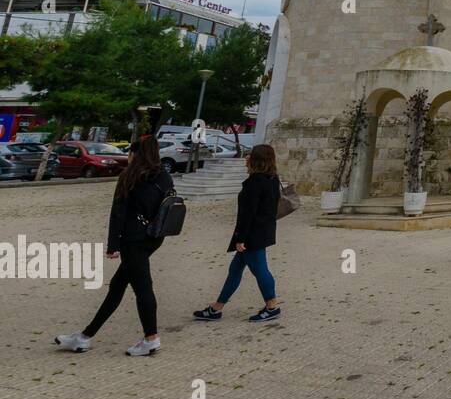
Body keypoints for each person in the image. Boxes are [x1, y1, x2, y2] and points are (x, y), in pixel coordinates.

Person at [55, 135, 173, 356]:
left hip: (133, 240)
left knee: (143, 288)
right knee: (117, 286)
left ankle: (151, 338)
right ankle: (85, 336)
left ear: (135, 153)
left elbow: (118, 213)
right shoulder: (164, 176)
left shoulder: (130, 176)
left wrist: (113, 245)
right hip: (153, 238)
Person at [193, 143, 283, 323]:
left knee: (260, 270)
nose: (246, 157)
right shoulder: (272, 179)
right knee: (235, 270)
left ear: (257, 160)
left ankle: (272, 305)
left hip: (252, 235)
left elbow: (247, 214)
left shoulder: (255, 183)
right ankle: (217, 307)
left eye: (250, 155)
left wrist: (240, 238)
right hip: (263, 230)